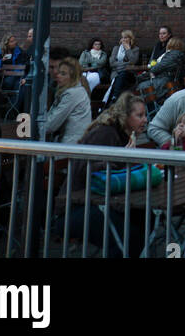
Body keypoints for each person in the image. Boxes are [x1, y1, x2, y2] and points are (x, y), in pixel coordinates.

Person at [56, 92, 150, 258]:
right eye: (140, 115)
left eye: (145, 115)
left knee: (144, 218)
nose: (145, 120)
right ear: (125, 116)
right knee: (128, 236)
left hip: (101, 202)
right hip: (77, 207)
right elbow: (86, 169)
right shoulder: (106, 133)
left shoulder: (123, 135)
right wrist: (123, 159)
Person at [45, 57, 92, 144]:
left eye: (63, 74)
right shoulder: (74, 91)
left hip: (71, 147)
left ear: (72, 77)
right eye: (59, 72)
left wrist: (31, 125)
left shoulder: (72, 94)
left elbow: (50, 125)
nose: (57, 75)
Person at [105, 29, 140, 105]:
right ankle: (115, 99)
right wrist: (125, 64)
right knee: (120, 77)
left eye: (126, 37)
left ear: (131, 39)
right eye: (122, 37)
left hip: (129, 74)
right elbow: (111, 63)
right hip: (116, 73)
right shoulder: (116, 48)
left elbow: (133, 61)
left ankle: (114, 98)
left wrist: (128, 49)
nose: (124, 39)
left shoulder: (135, 49)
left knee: (123, 74)